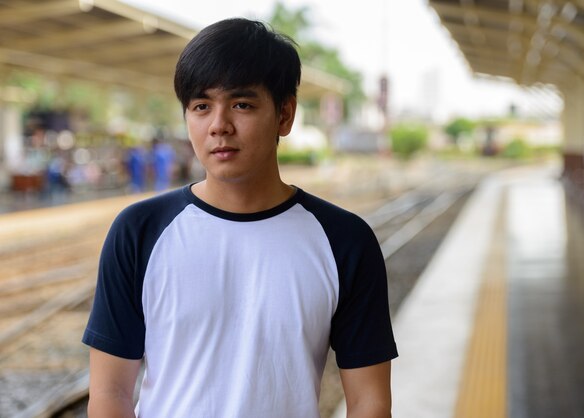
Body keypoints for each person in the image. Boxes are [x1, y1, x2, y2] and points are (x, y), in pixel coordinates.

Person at [83, 18, 398, 418]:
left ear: (285, 115)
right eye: (201, 106)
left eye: (241, 104)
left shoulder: (345, 241)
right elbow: (110, 393)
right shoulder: (139, 231)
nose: (219, 125)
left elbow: (370, 401)